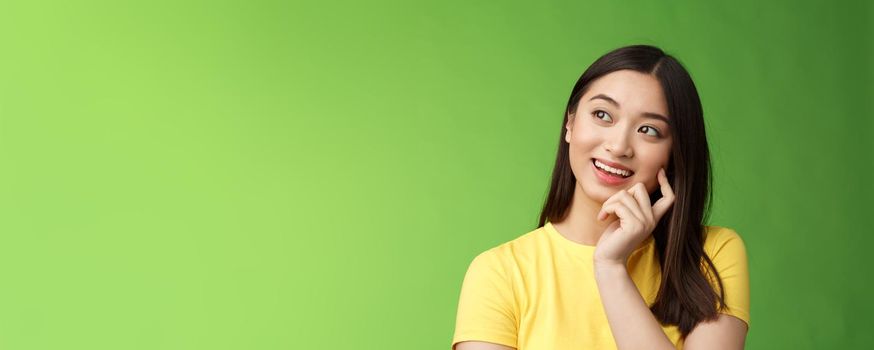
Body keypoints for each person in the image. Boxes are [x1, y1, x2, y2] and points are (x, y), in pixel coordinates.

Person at [450, 45, 750, 350]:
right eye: (602, 115)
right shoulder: (500, 272)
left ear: (675, 153)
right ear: (570, 124)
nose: (619, 146)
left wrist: (611, 268)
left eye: (648, 130)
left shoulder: (711, 255)